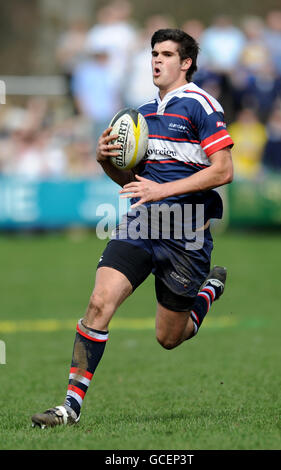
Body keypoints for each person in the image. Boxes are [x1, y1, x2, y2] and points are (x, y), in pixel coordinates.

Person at [31, 28, 234, 428]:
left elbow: (224, 169)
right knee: (98, 302)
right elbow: (133, 185)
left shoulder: (201, 106)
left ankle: (207, 292)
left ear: (186, 62)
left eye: (166, 54)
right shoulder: (141, 113)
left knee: (169, 337)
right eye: (153, 53)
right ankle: (70, 407)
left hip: (187, 234)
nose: (156, 60)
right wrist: (105, 160)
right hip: (141, 223)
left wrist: (165, 190)